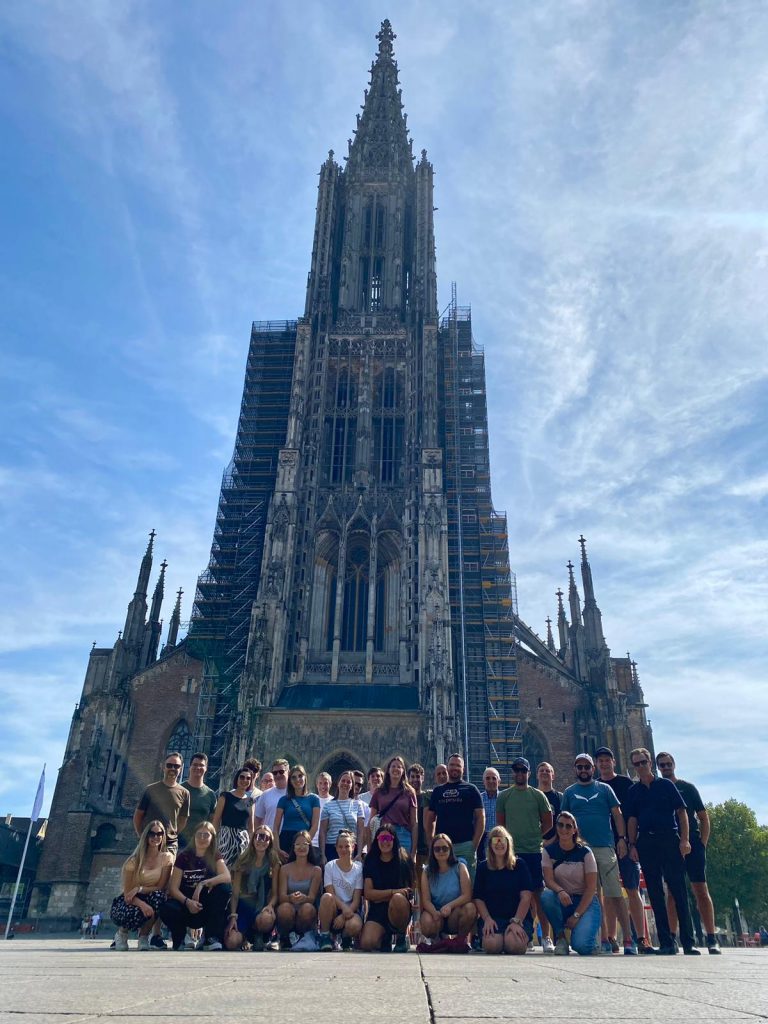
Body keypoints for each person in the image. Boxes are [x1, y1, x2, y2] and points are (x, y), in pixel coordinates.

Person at [624, 747, 699, 955]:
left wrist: (684, 839)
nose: (640, 767)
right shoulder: (634, 791)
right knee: (655, 893)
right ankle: (667, 942)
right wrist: (632, 845)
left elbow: (682, 812)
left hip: (669, 839)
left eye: (643, 762)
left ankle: (688, 942)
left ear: (650, 763)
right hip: (646, 842)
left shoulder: (665, 785)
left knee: (678, 891)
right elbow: (632, 819)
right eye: (636, 764)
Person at [561, 753, 635, 955]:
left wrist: (622, 839)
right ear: (575, 769)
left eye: (587, 767)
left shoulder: (604, 788)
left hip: (604, 847)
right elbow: (563, 821)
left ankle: (629, 939)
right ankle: (603, 938)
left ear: (592, 769)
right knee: (593, 896)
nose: (583, 770)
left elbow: (617, 815)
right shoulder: (569, 792)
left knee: (614, 893)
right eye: (580, 767)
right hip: (581, 851)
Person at [656, 751, 721, 954]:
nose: (665, 767)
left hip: (692, 844)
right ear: (658, 767)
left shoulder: (687, 788)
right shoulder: (658, 789)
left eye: (668, 764)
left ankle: (712, 938)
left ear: (673, 764)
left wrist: (701, 843)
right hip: (670, 846)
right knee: (672, 894)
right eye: (662, 765)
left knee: (700, 890)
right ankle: (672, 938)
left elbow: (703, 817)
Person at [594, 746, 649, 952]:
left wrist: (628, 840)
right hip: (604, 844)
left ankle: (641, 937)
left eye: (607, 760)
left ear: (614, 762)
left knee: (633, 889)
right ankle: (611, 937)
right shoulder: (594, 786)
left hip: (624, 843)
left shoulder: (626, 784)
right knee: (608, 892)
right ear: (597, 764)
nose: (604, 763)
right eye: (600, 760)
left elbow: (632, 815)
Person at [496, 756, 553, 951]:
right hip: (512, 853)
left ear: (528, 773)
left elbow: (548, 822)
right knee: (516, 896)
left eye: (523, 770)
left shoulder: (538, 795)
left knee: (538, 894)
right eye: (517, 770)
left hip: (533, 851)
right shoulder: (504, 796)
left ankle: (546, 937)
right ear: (513, 773)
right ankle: (524, 935)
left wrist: (536, 835)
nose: (520, 773)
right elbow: (501, 824)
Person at [159, 821, 231, 951]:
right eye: (199, 835)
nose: (202, 838)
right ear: (194, 836)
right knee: (166, 907)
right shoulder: (183, 856)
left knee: (224, 889)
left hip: (205, 906)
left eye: (206, 835)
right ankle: (179, 937)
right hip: (185, 904)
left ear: (212, 838)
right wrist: (187, 902)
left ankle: (210, 937)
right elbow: (173, 888)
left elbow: (226, 876)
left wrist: (202, 884)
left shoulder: (215, 855)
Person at [541, 811, 601, 956]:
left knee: (581, 947)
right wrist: (560, 891)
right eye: (560, 825)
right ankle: (561, 938)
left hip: (585, 902)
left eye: (568, 826)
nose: (564, 829)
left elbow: (591, 888)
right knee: (546, 896)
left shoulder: (586, 852)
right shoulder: (548, 851)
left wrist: (576, 915)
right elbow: (548, 880)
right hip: (562, 900)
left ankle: (589, 940)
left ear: (574, 830)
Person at [110, 820, 173, 950]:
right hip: (132, 899)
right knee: (134, 909)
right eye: (152, 833)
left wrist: (140, 888)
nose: (156, 837)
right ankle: (122, 933)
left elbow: (161, 887)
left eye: (160, 833)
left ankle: (143, 936)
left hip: (150, 895)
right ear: (146, 836)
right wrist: (142, 904)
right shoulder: (133, 861)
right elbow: (128, 894)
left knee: (159, 897)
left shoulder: (166, 858)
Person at [472, 826, 532, 955]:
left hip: (517, 918)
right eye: (495, 841)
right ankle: (501, 940)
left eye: (502, 840)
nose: (499, 844)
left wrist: (517, 921)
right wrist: (487, 919)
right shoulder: (483, 867)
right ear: (490, 845)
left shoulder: (520, 865)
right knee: (492, 946)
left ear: (508, 842)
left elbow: (526, 897)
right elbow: (478, 898)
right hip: (492, 919)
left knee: (515, 946)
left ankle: (509, 939)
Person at [424, 753, 484, 881]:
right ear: (447, 767)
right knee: (444, 883)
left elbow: (481, 817)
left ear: (463, 769)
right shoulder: (438, 791)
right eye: (452, 765)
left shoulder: (471, 789)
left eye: (458, 765)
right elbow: (430, 819)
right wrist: (431, 842)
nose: (455, 768)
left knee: (469, 885)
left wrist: (474, 844)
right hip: (442, 847)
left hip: (465, 845)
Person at [225, 824, 281, 951]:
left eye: (265, 837)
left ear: (270, 841)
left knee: (266, 919)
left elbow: (275, 893)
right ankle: (243, 937)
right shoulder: (243, 861)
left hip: (262, 905)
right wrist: (233, 915)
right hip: (244, 905)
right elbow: (235, 893)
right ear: (253, 839)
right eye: (258, 836)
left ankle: (258, 934)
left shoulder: (274, 862)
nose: (261, 840)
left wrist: (270, 905)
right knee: (232, 943)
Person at [418, 833, 477, 951]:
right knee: (426, 923)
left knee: (470, 908)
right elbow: (426, 900)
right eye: (437, 849)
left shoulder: (460, 867)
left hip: (454, 913)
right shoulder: (427, 871)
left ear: (451, 849)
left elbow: (467, 895)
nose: (441, 851)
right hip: (436, 914)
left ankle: (460, 940)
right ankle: (438, 940)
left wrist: (450, 906)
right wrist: (435, 913)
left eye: (445, 848)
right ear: (432, 851)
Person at [360, 826, 414, 952]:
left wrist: (383, 895)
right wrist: (392, 892)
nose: (385, 842)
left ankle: (401, 937)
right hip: (378, 910)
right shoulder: (370, 860)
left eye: (388, 838)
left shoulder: (404, 858)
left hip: (399, 908)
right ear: (377, 840)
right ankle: (385, 938)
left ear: (394, 840)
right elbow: (368, 894)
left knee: (398, 899)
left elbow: (408, 892)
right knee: (368, 943)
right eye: (381, 838)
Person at [133, 751, 190, 858]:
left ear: (181, 769)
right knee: (141, 871)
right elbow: (138, 815)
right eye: (169, 765)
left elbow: (183, 819)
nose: (173, 768)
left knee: (166, 873)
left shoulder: (184, 793)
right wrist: (142, 835)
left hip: (169, 844)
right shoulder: (150, 789)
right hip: (148, 841)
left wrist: (172, 833)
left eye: (176, 766)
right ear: (163, 767)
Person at [318, 830, 364, 951]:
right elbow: (331, 893)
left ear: (353, 847)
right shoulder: (330, 866)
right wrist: (343, 910)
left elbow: (357, 899)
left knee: (354, 925)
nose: (344, 849)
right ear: (336, 848)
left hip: (351, 909)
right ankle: (325, 936)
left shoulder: (359, 868)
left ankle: (346, 938)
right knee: (326, 897)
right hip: (335, 907)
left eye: (347, 846)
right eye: (340, 846)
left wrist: (344, 916)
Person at [275, 830, 322, 948]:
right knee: (284, 908)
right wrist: (291, 898)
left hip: (305, 907)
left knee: (307, 908)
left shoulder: (316, 870)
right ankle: (285, 937)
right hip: (289, 906)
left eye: (305, 844)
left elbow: (312, 898)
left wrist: (303, 898)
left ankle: (304, 936)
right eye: (298, 844)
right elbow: (281, 897)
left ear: (309, 847)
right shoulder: (284, 869)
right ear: (294, 848)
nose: (301, 847)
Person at [368, 755, 418, 856]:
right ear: (388, 770)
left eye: (399, 767)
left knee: (403, 869)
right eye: (393, 766)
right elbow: (371, 821)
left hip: (403, 834)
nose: (396, 769)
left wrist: (414, 852)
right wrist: (370, 848)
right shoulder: (379, 791)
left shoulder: (409, 792)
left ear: (403, 771)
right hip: (384, 835)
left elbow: (414, 822)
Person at [273, 764, 321, 862]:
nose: (297, 779)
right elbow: (276, 827)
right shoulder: (284, 800)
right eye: (293, 777)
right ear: (290, 781)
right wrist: (277, 848)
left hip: (305, 840)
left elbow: (315, 826)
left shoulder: (314, 799)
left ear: (305, 777)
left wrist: (304, 843)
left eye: (300, 776)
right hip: (286, 840)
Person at [211, 767, 256, 867]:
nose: (245, 780)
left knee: (239, 871)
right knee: (222, 869)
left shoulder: (250, 801)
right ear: (237, 779)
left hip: (243, 840)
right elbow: (216, 821)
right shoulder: (225, 796)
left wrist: (252, 847)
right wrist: (213, 842)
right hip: (226, 838)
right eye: (242, 777)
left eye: (248, 778)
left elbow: (251, 826)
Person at [319, 771, 365, 863]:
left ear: (352, 785)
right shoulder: (328, 806)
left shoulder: (358, 805)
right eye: (343, 781)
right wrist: (322, 855)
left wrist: (359, 853)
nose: (345, 784)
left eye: (349, 782)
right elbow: (323, 832)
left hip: (351, 849)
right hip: (332, 848)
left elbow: (360, 832)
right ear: (338, 783)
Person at [181, 753, 217, 848]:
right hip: (178, 841)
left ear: (206, 768)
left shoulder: (210, 794)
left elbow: (212, 822)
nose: (198, 767)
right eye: (195, 764)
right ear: (190, 766)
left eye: (201, 765)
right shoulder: (179, 790)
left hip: (200, 843)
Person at [254, 758, 289, 833]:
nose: (278, 775)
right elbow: (257, 820)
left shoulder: (296, 793)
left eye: (281, 772)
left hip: (292, 840)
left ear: (288, 772)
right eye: (275, 773)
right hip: (269, 840)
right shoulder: (266, 794)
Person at [535, 762, 562, 842]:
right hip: (534, 844)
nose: (544, 772)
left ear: (553, 776)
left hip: (555, 844)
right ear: (537, 775)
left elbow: (562, 822)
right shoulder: (531, 796)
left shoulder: (560, 797)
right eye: (541, 770)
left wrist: (551, 841)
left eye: (547, 771)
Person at [478, 767, 501, 861]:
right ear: (483, 781)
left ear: (499, 781)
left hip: (501, 842)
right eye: (487, 778)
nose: (491, 781)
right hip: (482, 845)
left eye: (494, 778)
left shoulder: (505, 798)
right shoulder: (478, 799)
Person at [312, 771, 333, 856]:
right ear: (317, 785)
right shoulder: (311, 799)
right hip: (313, 843)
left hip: (328, 843)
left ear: (330, 784)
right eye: (320, 783)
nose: (323, 786)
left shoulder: (334, 801)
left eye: (325, 783)